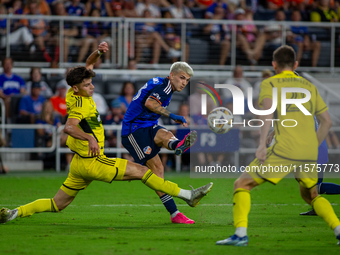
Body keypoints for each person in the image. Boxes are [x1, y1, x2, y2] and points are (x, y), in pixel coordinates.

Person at [0, 42, 213, 224]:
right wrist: (90, 137)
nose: (92, 86)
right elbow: (69, 127)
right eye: (88, 84)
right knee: (142, 172)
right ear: (77, 88)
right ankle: (187, 195)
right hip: (93, 161)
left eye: (91, 82)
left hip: (78, 165)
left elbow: (89, 65)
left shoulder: (73, 90)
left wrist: (99, 53)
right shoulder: (80, 106)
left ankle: (14, 213)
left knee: (57, 204)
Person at [216, 45, 340, 246]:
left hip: (285, 149)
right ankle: (338, 230)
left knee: (241, 184)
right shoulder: (309, 86)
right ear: (296, 64)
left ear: (274, 65)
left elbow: (266, 114)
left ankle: (240, 234)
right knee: (311, 195)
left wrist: (262, 144)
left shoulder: (270, 84)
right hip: (308, 151)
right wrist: (312, 145)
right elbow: (327, 121)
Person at [121, 61, 201, 224]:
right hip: (133, 131)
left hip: (146, 126)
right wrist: (173, 116)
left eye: (187, 80)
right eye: (181, 78)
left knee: (165, 135)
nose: (184, 83)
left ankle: (178, 145)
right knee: (155, 172)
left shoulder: (164, 85)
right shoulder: (164, 87)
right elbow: (149, 103)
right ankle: (175, 213)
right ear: (171, 75)